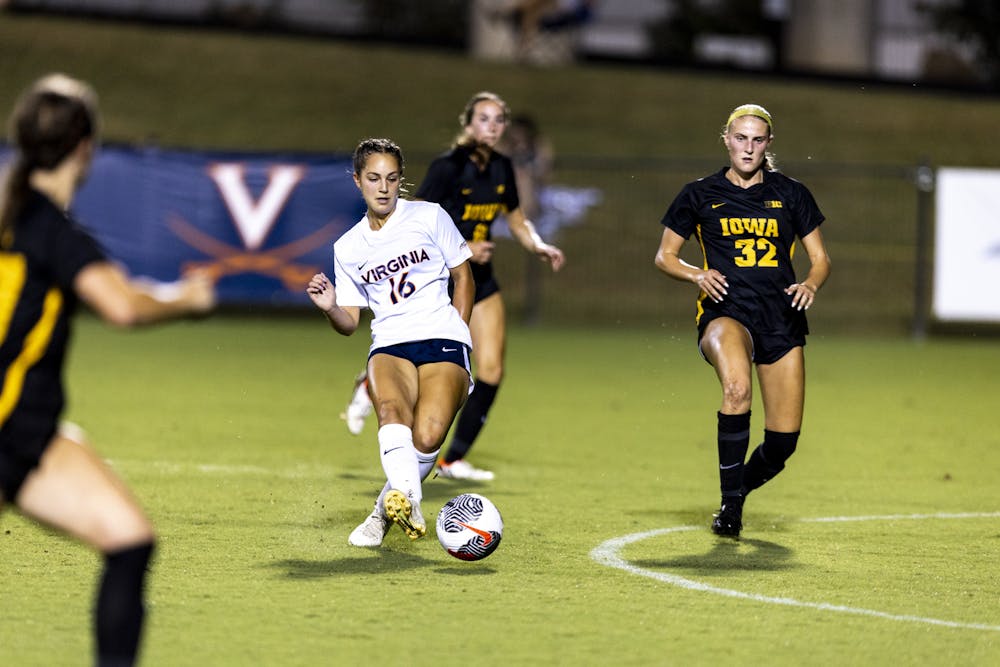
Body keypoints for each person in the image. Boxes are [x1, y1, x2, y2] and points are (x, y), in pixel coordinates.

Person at [0, 74, 216, 666]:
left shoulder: (15, 216)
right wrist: (188, 302)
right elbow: (120, 305)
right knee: (128, 544)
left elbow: (111, 288)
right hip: (12, 431)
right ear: (85, 147)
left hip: (23, 436)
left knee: (128, 539)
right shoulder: (52, 230)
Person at [341, 92, 565, 483]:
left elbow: (516, 219)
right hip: (438, 278)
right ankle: (372, 379)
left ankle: (451, 459)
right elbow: (411, 225)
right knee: (421, 352)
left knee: (492, 370)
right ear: (468, 123)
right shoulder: (448, 167)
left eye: (498, 121)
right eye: (483, 119)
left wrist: (538, 244)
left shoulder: (502, 168)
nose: (491, 127)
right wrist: (463, 245)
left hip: (480, 278)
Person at [653, 103, 832, 539]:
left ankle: (736, 492)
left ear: (768, 144)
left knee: (782, 444)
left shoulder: (792, 193)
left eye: (757, 139)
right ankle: (730, 509)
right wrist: (697, 273)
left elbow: (821, 259)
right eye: (740, 138)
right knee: (736, 388)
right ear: (727, 140)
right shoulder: (699, 194)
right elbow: (664, 256)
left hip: (780, 316)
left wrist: (810, 283)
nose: (748, 147)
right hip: (724, 312)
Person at [306, 138, 475, 547]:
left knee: (430, 435)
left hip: (441, 335)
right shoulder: (348, 247)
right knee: (390, 409)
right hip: (390, 343)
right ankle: (410, 502)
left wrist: (460, 330)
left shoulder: (429, 217)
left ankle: (380, 513)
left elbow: (464, 277)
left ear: (401, 180)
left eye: (392, 178)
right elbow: (349, 322)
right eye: (374, 178)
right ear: (358, 181)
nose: (383, 187)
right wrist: (330, 307)